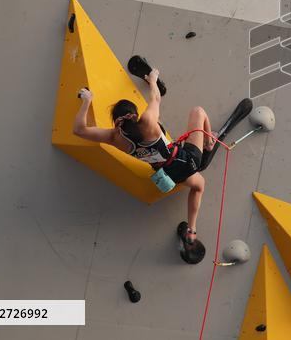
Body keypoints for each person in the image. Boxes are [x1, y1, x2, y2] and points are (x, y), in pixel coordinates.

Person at [71, 68, 213, 250]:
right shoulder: (147, 122)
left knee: (198, 185)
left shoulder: (115, 138)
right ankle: (209, 142)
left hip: (168, 173)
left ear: (116, 120)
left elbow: (79, 130)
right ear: (135, 114)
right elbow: (155, 97)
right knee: (198, 112)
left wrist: (87, 101)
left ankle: (192, 230)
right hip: (187, 160)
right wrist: (152, 80)